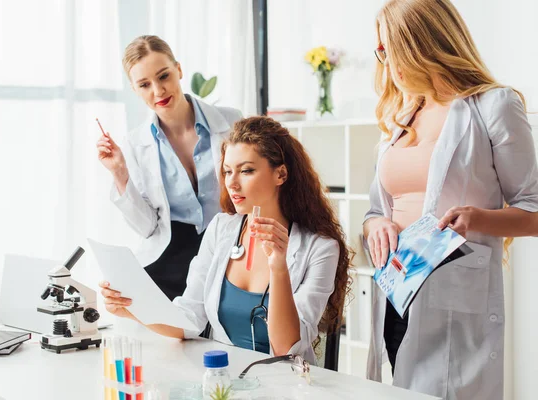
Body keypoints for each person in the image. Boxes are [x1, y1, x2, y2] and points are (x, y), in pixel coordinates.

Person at [363, 1, 538, 399]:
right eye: (381, 51)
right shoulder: (401, 114)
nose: (386, 62)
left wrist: (477, 219)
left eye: (391, 49)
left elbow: (534, 212)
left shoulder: (494, 105)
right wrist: (378, 226)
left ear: (423, 44)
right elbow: (375, 210)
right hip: (397, 288)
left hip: (452, 292)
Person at [100, 116, 351, 363]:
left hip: (285, 385)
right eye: (227, 171)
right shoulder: (221, 229)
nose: (231, 183)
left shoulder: (321, 249)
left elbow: (287, 349)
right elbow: (188, 319)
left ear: (281, 174)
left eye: (246, 171)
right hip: (224, 379)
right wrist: (131, 308)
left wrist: (278, 266)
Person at [96, 35, 242, 300]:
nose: (158, 91)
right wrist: (119, 173)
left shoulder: (232, 122)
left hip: (230, 247)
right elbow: (147, 227)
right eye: (144, 84)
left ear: (179, 70)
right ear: (135, 89)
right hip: (170, 257)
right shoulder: (135, 144)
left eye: (164, 76)